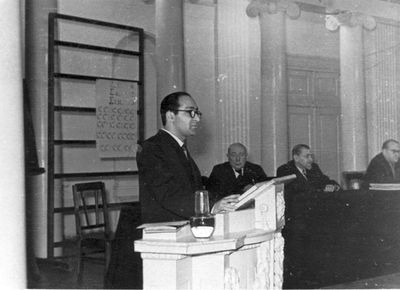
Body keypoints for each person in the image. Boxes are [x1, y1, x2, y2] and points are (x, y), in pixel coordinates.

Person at [137, 91, 238, 223]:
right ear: (171, 116)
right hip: (166, 232)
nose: (197, 118)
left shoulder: (178, 147)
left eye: (197, 113)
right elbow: (169, 194)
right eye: (190, 112)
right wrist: (213, 206)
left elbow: (192, 189)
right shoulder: (152, 148)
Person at [276, 144, 340, 195]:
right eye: (307, 156)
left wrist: (334, 186)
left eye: (311, 156)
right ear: (296, 158)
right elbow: (300, 189)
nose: (311, 160)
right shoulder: (284, 170)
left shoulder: (314, 167)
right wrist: (323, 189)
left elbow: (325, 180)